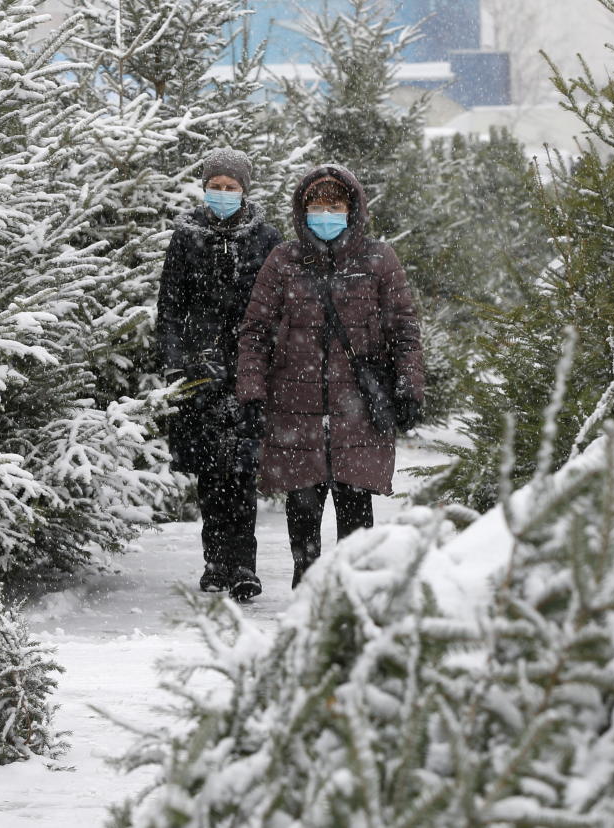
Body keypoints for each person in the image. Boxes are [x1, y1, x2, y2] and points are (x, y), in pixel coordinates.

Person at [234, 164, 424, 589]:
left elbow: (404, 330)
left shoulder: (378, 259)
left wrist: (409, 387)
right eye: (316, 205)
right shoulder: (283, 260)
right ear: (302, 211)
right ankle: (307, 596)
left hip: (358, 409)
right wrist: (251, 392)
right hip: (294, 409)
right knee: (303, 509)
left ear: (352, 208)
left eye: (334, 205)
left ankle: (356, 596)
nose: (325, 213)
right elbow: (256, 331)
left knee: (356, 512)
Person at [155, 148, 282, 600]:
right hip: (199, 367)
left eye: (231, 188)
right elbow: (169, 306)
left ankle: (244, 564)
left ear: (245, 190)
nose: (222, 194)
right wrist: (177, 359)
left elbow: (277, 307)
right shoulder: (186, 237)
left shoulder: (267, 238)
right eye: (216, 187)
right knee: (210, 469)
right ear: (204, 188)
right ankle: (216, 561)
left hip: (249, 367)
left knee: (244, 466)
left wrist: (266, 361)